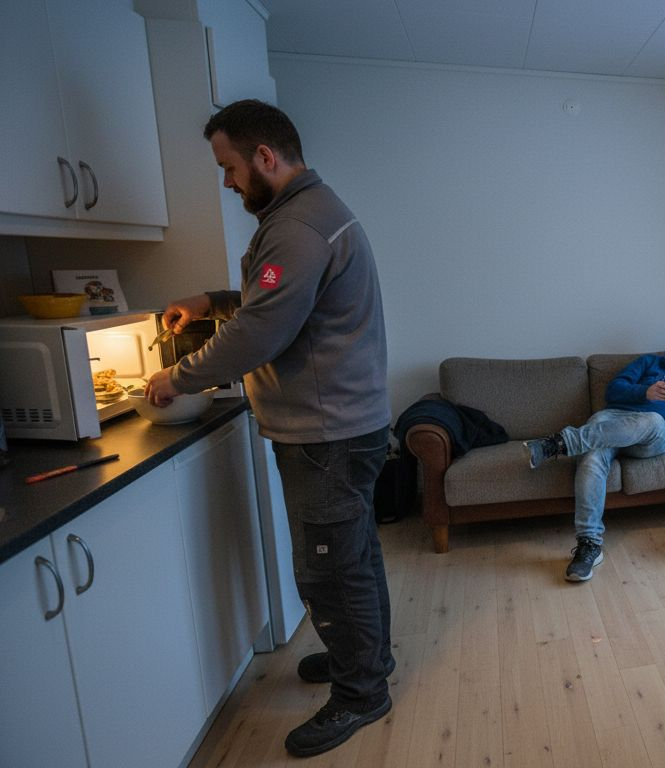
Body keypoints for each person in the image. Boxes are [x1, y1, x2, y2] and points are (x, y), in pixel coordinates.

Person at [143, 99, 393, 759]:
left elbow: (260, 330)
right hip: (342, 424)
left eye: (229, 167)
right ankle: (365, 660)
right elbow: (277, 300)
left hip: (326, 434)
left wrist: (176, 378)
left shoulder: (298, 227)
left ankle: (362, 692)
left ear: (264, 157)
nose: (227, 182)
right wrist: (211, 300)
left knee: (330, 571)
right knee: (354, 555)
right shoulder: (306, 215)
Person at [526, 325, 665, 581]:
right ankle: (589, 545)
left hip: (655, 435)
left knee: (652, 420)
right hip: (614, 420)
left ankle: (561, 443)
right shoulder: (649, 363)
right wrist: (644, 392)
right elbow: (613, 390)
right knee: (592, 456)